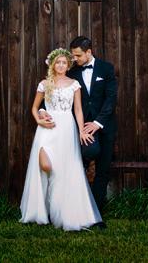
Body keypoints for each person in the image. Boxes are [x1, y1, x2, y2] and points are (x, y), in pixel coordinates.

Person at [19, 48, 102, 231]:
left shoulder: (74, 84)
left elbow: (78, 110)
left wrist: (81, 131)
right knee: (46, 166)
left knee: (64, 169)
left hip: (67, 127)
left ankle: (61, 210)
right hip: (47, 129)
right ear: (53, 64)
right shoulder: (44, 84)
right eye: (58, 62)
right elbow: (34, 108)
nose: (61, 65)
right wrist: (39, 118)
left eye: (64, 62)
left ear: (68, 65)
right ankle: (40, 208)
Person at [40, 36, 118, 215]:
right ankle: (73, 206)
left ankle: (96, 211)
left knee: (103, 168)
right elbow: (57, 93)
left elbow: (111, 98)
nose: (74, 59)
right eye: (73, 56)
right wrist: (43, 111)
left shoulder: (106, 69)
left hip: (103, 125)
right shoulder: (72, 73)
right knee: (85, 156)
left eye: (77, 56)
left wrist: (98, 123)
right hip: (79, 128)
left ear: (89, 52)